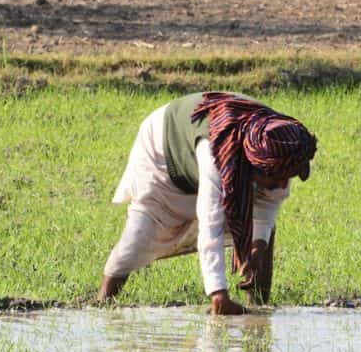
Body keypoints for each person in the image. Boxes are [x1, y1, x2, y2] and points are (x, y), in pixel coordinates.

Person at [98, 91, 317, 315]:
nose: (282, 185)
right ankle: (102, 305)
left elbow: (268, 205)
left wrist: (257, 246)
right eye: (276, 179)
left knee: (260, 237)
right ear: (253, 166)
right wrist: (218, 294)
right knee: (142, 230)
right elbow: (211, 224)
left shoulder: (280, 146)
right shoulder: (217, 154)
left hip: (221, 152)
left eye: (288, 177)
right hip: (163, 146)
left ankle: (259, 308)